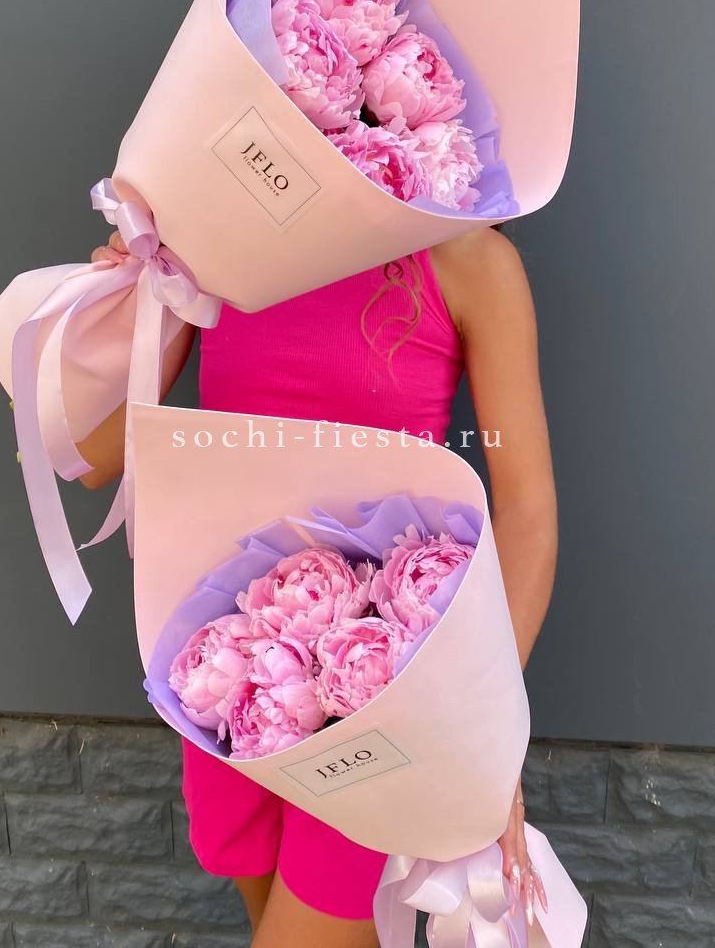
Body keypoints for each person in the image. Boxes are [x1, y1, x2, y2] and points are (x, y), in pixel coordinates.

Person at [83, 224, 557, 948]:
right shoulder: (211, 239)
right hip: (235, 677)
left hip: (387, 691)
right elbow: (92, 453)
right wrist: (126, 294)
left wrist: (477, 716)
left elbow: (527, 511)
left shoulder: (469, 261)